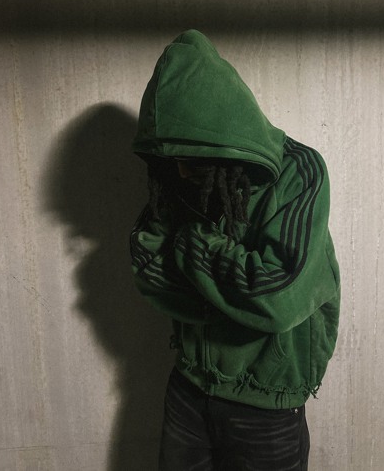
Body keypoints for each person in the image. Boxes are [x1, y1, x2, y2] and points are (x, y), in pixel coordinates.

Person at [130, 30, 340, 471]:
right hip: (188, 384)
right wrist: (230, 296)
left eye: (192, 157)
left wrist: (189, 241)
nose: (181, 172)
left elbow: (277, 298)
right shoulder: (175, 174)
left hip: (264, 403)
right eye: (171, 159)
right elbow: (148, 269)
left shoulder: (299, 172)